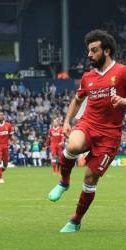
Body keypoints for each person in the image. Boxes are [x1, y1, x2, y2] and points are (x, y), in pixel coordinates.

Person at [48, 29, 126, 232]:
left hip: (110, 135)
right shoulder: (87, 77)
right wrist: (67, 121)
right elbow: (77, 100)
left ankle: (75, 220)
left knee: (90, 179)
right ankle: (64, 182)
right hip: (88, 123)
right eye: (89, 51)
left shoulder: (122, 72)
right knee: (73, 145)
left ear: (106, 51)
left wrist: (124, 100)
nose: (89, 55)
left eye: (94, 50)